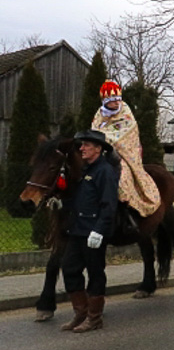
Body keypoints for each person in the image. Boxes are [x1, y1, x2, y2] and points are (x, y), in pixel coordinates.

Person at [60, 129, 119, 333]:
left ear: (98, 149)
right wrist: (62, 203)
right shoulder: (87, 169)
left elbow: (109, 205)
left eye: (86, 145)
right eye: (81, 145)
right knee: (69, 268)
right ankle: (81, 313)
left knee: (95, 274)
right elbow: (80, 198)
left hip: (93, 232)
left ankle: (94, 318)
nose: (81, 149)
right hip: (78, 230)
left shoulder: (105, 171)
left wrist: (100, 230)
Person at [90, 79, 160, 232]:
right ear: (105, 101)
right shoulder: (99, 114)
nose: (116, 103)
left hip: (121, 155)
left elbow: (128, 133)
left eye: (118, 99)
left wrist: (107, 139)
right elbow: (94, 131)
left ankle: (126, 212)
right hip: (99, 152)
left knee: (123, 177)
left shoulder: (125, 112)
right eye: (112, 100)